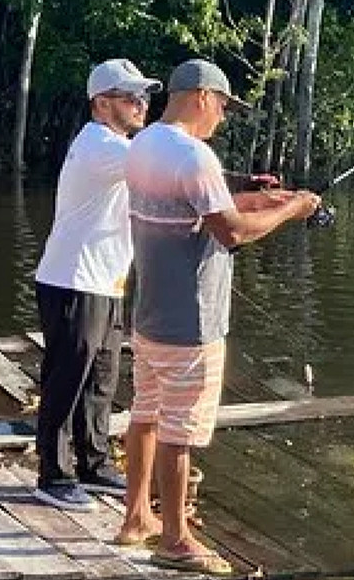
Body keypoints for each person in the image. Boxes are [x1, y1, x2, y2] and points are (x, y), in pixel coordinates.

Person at [115, 59, 319, 574]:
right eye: (224, 106)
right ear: (204, 97)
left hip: (149, 315)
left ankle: (135, 519)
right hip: (193, 322)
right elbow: (231, 232)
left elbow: (201, 208)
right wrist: (291, 211)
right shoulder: (195, 155)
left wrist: (264, 197)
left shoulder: (144, 144)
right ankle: (176, 540)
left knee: (145, 413)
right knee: (179, 429)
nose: (223, 117)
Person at [28, 59, 160, 512]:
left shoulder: (120, 147)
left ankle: (93, 462)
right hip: (72, 280)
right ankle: (53, 473)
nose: (142, 104)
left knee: (101, 377)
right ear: (102, 104)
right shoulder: (101, 145)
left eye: (144, 96)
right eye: (131, 97)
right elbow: (171, 168)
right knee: (68, 376)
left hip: (106, 281)